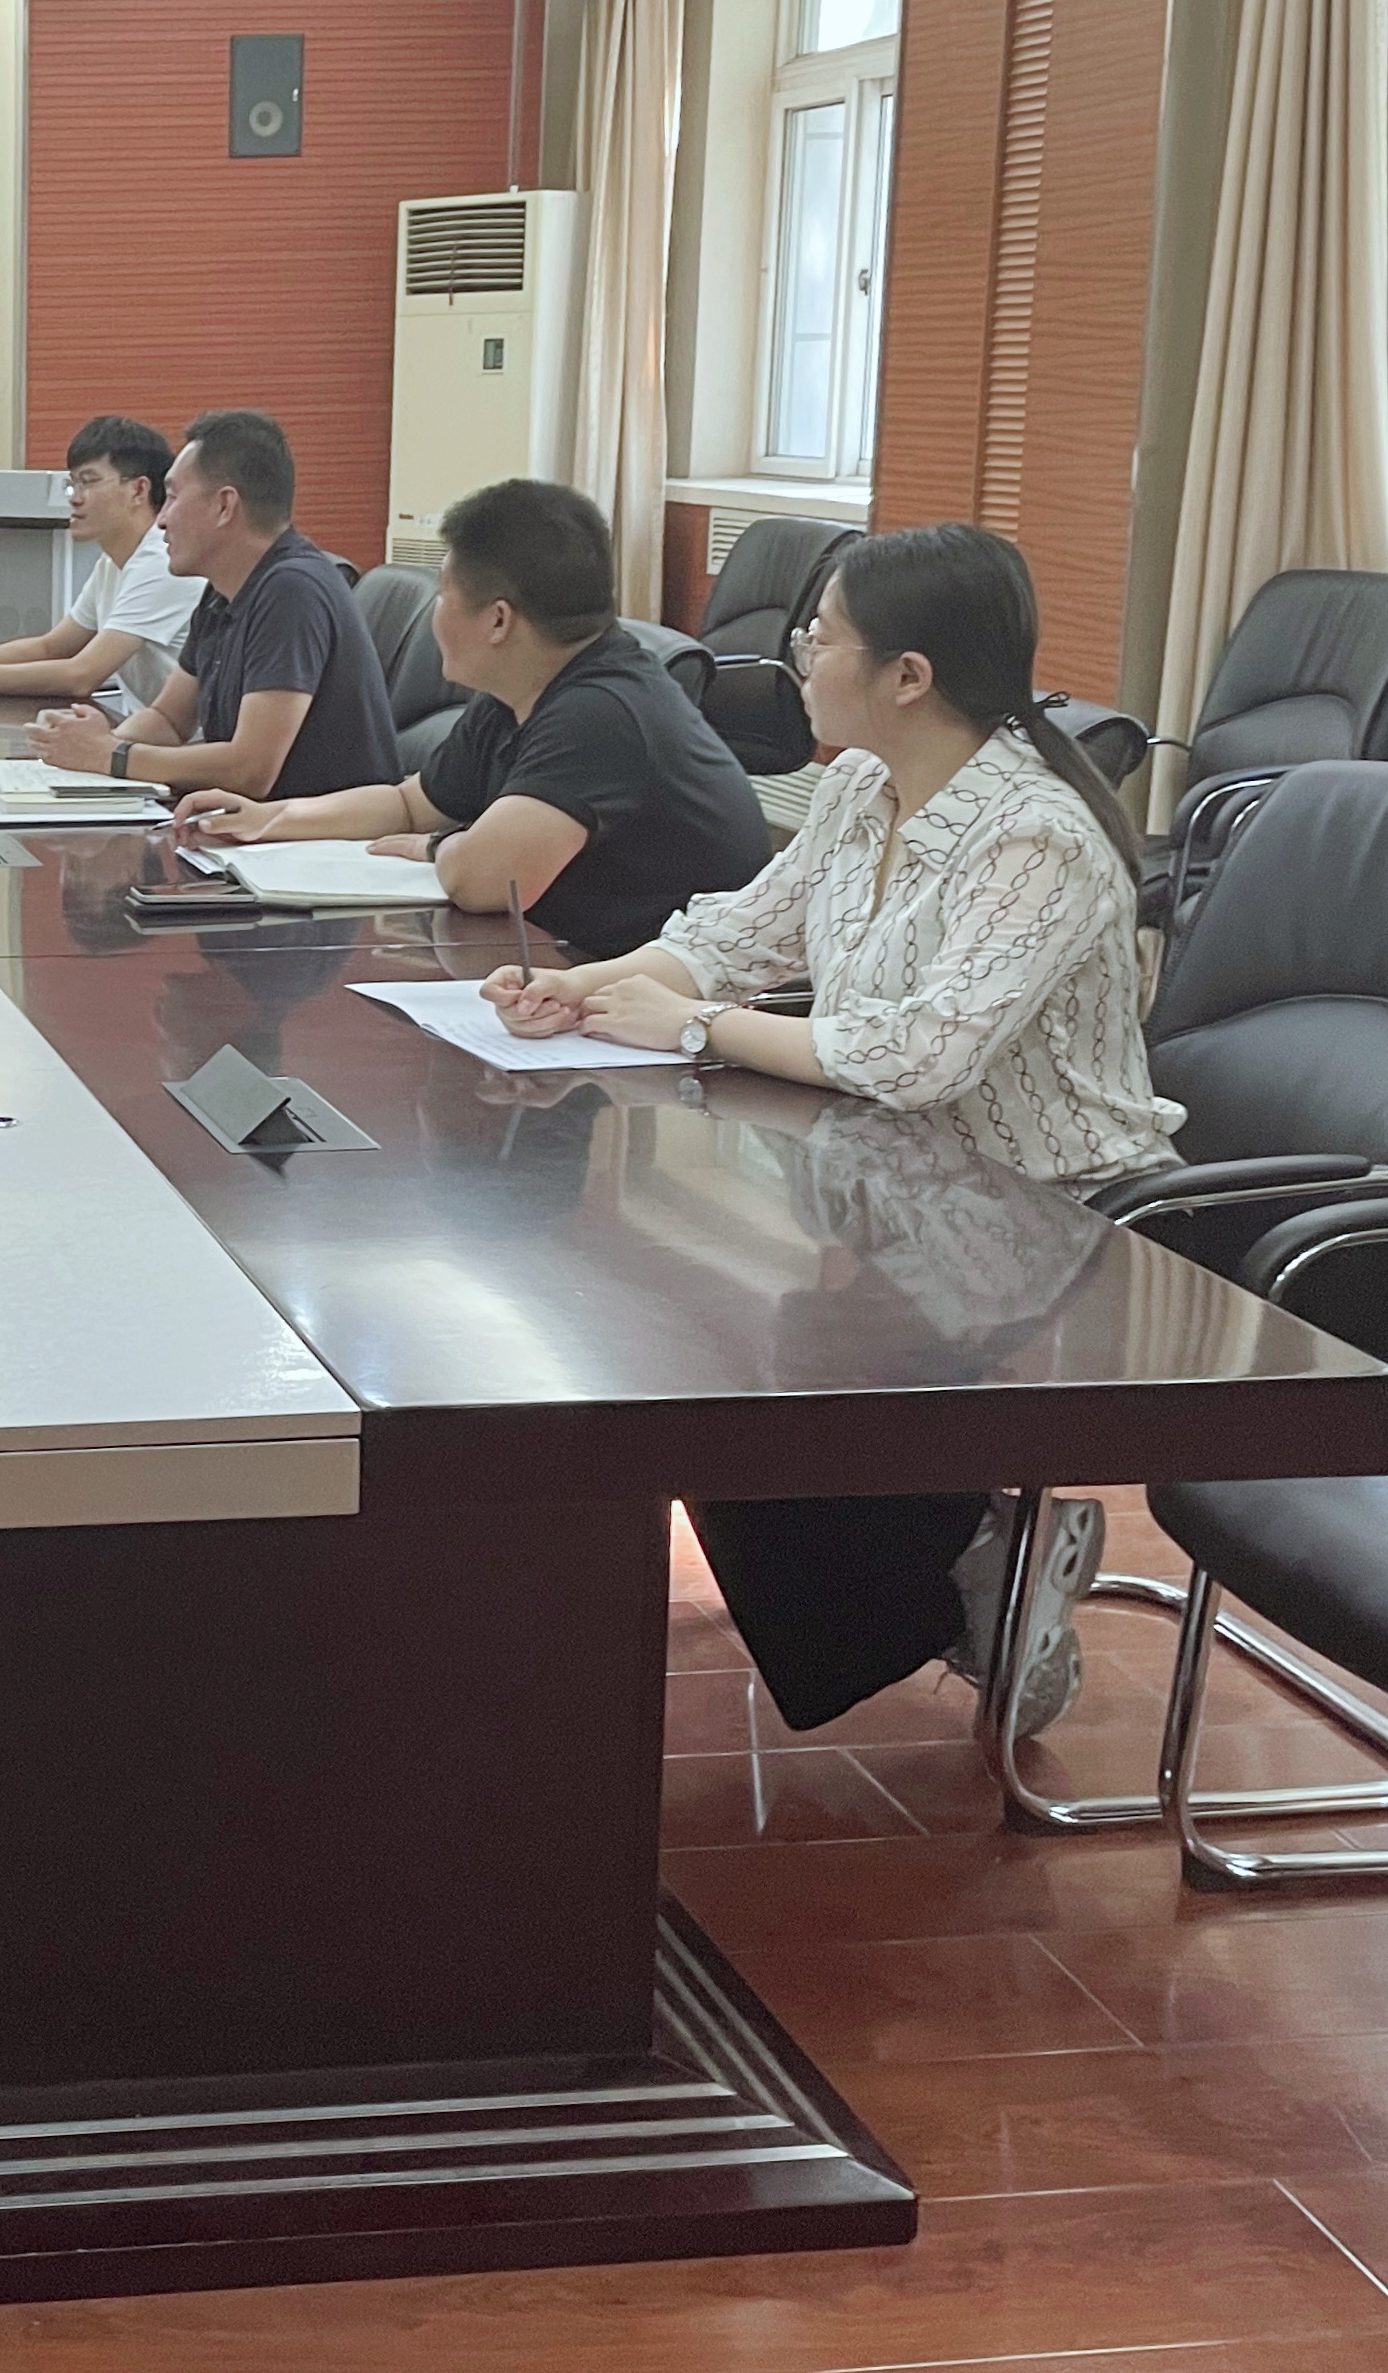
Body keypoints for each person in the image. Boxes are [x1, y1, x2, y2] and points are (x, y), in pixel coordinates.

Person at [492, 523, 1178, 1739]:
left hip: (1055, 1211)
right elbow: (735, 936)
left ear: (907, 674)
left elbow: (920, 1054)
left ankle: (964, 1563)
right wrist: (582, 988)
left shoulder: (1035, 834)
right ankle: (962, 1550)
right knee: (696, 1347)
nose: (797, 658)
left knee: (729, 1374)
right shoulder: (863, 784)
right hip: (897, 1171)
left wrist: (694, 1026)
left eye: (819, 638)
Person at [177, 478, 769, 959]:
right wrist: (271, 819)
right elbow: (409, 804)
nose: (436, 612)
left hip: (680, 1007)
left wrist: (437, 847)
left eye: (444, 594)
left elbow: (489, 881)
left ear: (498, 621)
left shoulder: (602, 713)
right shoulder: (519, 690)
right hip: (581, 972)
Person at [22, 409, 398, 803]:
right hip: (253, 821)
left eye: (172, 497)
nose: (161, 520)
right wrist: (92, 745)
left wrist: (112, 756)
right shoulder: (223, 590)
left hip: (321, 832)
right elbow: (169, 720)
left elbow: (250, 770)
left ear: (224, 506)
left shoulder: (292, 590)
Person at [0, 416, 200, 712]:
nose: (75, 499)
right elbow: (51, 647)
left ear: (138, 490)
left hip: (184, 737)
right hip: (145, 728)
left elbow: (82, 675)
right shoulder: (112, 563)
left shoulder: (161, 561)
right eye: (72, 485)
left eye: (89, 482)